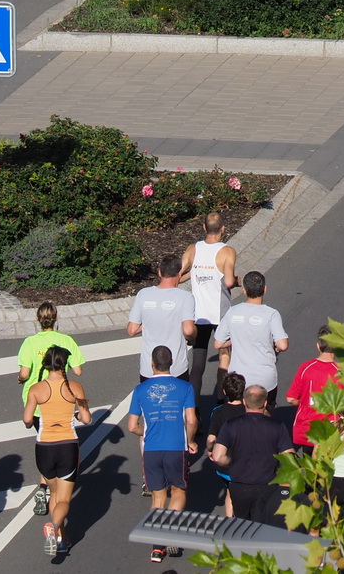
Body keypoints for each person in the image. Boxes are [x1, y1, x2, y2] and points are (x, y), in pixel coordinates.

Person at [22, 345, 94, 557]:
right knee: (63, 500)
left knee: (53, 494)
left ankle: (61, 540)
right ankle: (54, 527)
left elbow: (27, 419)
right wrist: (77, 416)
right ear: (65, 365)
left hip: (44, 447)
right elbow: (87, 418)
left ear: (46, 364)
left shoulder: (36, 389)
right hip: (67, 447)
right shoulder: (74, 387)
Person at [127, 344, 198, 560]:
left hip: (152, 449)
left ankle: (157, 547)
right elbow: (192, 420)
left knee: (158, 498)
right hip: (176, 447)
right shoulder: (185, 387)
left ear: (152, 364)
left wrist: (146, 432)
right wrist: (190, 440)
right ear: (172, 363)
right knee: (178, 491)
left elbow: (132, 426)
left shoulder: (140, 390)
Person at [210, 385, 292, 525]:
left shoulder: (231, 425)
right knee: (261, 525)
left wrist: (231, 461)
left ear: (244, 402)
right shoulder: (277, 426)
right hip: (267, 484)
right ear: (265, 403)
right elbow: (289, 457)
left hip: (239, 485)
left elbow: (218, 457)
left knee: (241, 525)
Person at [180, 212, 239, 405]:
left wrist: (194, 272)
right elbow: (228, 281)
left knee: (198, 363)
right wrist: (238, 281)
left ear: (204, 228)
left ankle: (194, 405)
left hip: (198, 314)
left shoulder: (193, 249)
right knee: (224, 355)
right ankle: (221, 399)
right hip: (220, 313)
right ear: (223, 229)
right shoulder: (227, 251)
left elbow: (177, 276)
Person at [287, 326, 344, 454]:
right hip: (333, 430)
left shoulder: (305, 367)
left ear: (318, 346)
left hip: (308, 429)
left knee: (309, 461)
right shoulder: (343, 371)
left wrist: (305, 403)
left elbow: (291, 398)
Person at [216, 270, 289, 400]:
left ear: (244, 291)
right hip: (265, 380)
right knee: (264, 411)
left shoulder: (232, 312)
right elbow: (282, 345)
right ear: (265, 289)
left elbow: (218, 343)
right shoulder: (271, 314)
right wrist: (276, 346)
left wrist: (235, 338)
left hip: (238, 380)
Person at [127, 253, 197, 384]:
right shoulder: (185, 297)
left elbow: (132, 329)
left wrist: (148, 321)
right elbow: (188, 330)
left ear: (159, 272)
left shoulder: (143, 294)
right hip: (176, 368)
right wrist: (193, 338)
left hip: (149, 368)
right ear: (179, 274)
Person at [204, 372, 248, 517]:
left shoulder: (218, 412)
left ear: (224, 391)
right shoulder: (249, 410)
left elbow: (211, 438)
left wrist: (210, 450)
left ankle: (230, 520)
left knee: (230, 491)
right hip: (248, 459)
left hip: (228, 462)